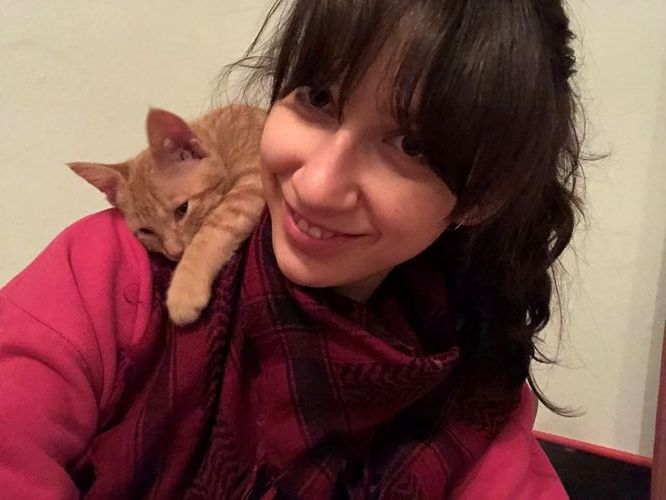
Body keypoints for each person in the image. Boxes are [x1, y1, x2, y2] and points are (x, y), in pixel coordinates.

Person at [0, 0, 583, 498]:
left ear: (481, 198)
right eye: (318, 98)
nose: (317, 185)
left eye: (412, 145)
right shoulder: (111, 275)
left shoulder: (474, 396)